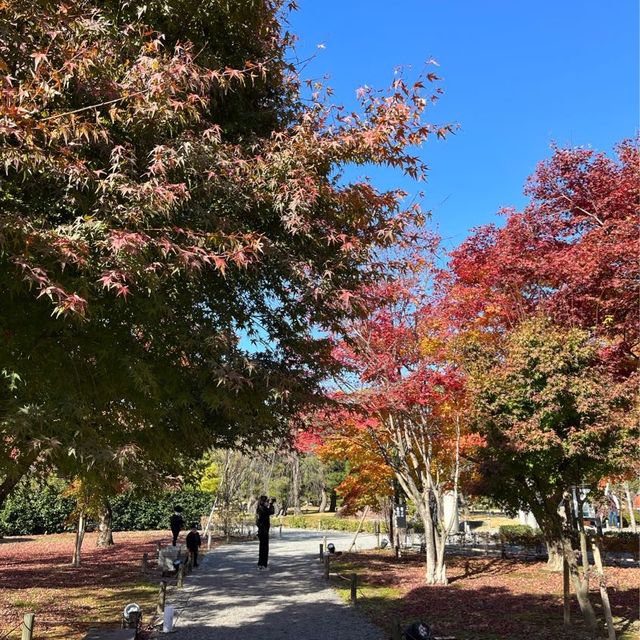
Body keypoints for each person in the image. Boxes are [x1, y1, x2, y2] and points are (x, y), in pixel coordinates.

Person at [255, 495, 276, 570]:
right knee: (265, 548)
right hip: (264, 531)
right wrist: (271, 504)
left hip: (261, 530)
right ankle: (264, 565)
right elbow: (271, 512)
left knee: (261, 548)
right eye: (266, 501)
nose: (267, 503)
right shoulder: (263, 509)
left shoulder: (258, 508)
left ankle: (260, 564)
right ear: (263, 502)